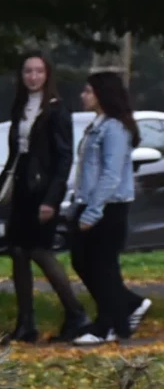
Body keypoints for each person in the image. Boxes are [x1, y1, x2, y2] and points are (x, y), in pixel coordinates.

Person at [0, 53, 84, 343]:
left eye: (38, 71)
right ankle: (26, 323)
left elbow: (64, 158)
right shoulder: (19, 107)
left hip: (43, 189)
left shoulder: (57, 110)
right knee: (17, 251)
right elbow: (15, 155)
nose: (33, 77)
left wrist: (52, 199)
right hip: (22, 186)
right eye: (28, 71)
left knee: (40, 250)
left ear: (47, 75)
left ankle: (77, 314)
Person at [66, 70, 148, 345]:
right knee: (84, 261)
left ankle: (108, 324)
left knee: (101, 266)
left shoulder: (114, 127)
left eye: (88, 91)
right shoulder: (97, 124)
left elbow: (111, 174)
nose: (83, 95)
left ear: (103, 94)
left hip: (108, 207)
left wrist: (93, 211)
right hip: (89, 203)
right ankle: (128, 307)